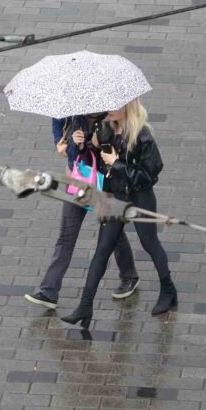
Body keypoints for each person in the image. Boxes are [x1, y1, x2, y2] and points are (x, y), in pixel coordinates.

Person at [61, 98, 176, 328]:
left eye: (114, 106)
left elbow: (150, 175)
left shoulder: (142, 135)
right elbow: (95, 161)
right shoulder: (104, 128)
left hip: (139, 197)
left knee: (149, 243)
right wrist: (83, 146)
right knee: (102, 249)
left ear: (127, 107)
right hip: (114, 197)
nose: (109, 110)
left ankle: (168, 290)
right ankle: (85, 305)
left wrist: (117, 163)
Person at [24, 113, 140, 310]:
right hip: (78, 180)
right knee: (66, 235)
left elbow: (119, 153)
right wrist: (70, 144)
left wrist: (98, 143)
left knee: (112, 233)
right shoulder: (67, 113)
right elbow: (63, 145)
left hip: (103, 183)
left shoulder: (111, 115)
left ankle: (129, 275)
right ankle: (48, 291)